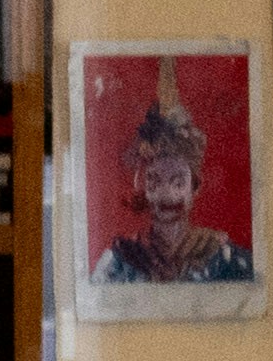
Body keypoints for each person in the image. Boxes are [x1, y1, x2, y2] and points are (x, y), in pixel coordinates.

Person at [91, 57, 246, 287]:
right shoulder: (119, 261)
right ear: (143, 187)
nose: (167, 195)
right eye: (154, 182)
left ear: (196, 187)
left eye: (178, 183)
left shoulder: (225, 259)